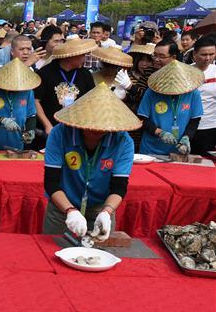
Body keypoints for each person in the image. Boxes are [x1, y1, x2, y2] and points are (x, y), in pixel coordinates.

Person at [43, 84, 139, 239]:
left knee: (97, 256)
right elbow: (51, 182)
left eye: (103, 126)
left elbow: (119, 186)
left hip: (100, 209)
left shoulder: (123, 141)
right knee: (52, 251)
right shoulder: (59, 133)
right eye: (90, 124)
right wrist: (70, 211)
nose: (96, 130)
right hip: (62, 208)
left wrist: (107, 212)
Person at [33, 39, 96, 146]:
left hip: (77, 130)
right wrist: (47, 125)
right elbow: (35, 100)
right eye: (82, 55)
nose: (84, 59)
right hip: (50, 130)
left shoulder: (85, 74)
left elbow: (91, 101)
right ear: (71, 56)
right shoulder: (45, 73)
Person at [137, 60, 204, 156]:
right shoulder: (151, 92)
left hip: (177, 150)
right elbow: (142, 118)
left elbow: (194, 120)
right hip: (150, 149)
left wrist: (186, 137)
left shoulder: (193, 93)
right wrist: (160, 133)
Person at [0, 58, 40, 152]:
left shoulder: (27, 90)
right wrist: (2, 120)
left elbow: (31, 115)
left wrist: (30, 130)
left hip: (16, 147)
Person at [190, 36, 216, 154]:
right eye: (204, 54)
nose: (208, 58)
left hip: (210, 127)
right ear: (194, 54)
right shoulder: (185, 71)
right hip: (187, 126)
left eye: (212, 54)